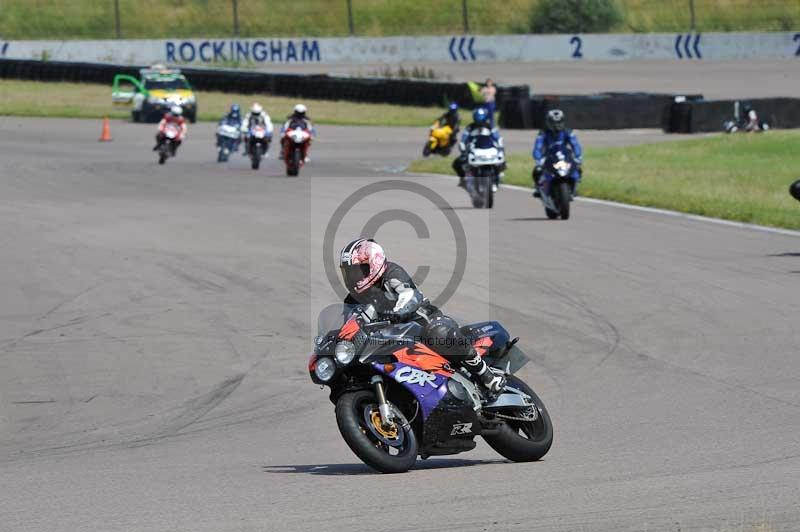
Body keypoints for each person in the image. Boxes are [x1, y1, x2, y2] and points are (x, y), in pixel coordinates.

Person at [339, 238, 507, 395]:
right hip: (391, 339)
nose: (354, 277)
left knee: (438, 333)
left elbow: (408, 295)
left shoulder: (392, 273)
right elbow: (349, 326)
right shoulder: (353, 298)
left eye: (358, 271)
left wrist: (398, 312)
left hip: (423, 324)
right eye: (349, 273)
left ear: (373, 262)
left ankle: (487, 376)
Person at [531, 109, 583, 198]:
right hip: (548, 155)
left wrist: (578, 156)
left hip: (564, 155)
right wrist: (538, 159)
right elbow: (537, 147)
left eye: (559, 122)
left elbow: (575, 145)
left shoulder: (568, 132)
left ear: (563, 122)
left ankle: (574, 186)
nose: (556, 125)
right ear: (548, 123)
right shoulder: (543, 133)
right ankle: (538, 188)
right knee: (537, 171)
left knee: (578, 168)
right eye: (553, 123)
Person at [452, 107, 505, 190]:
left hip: (488, 149)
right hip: (474, 150)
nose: (480, 121)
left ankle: (498, 175)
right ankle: (464, 179)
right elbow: (463, 139)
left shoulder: (490, 126)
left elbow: (497, 137)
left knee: (501, 160)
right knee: (457, 163)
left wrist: (500, 146)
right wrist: (463, 147)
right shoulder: (470, 127)